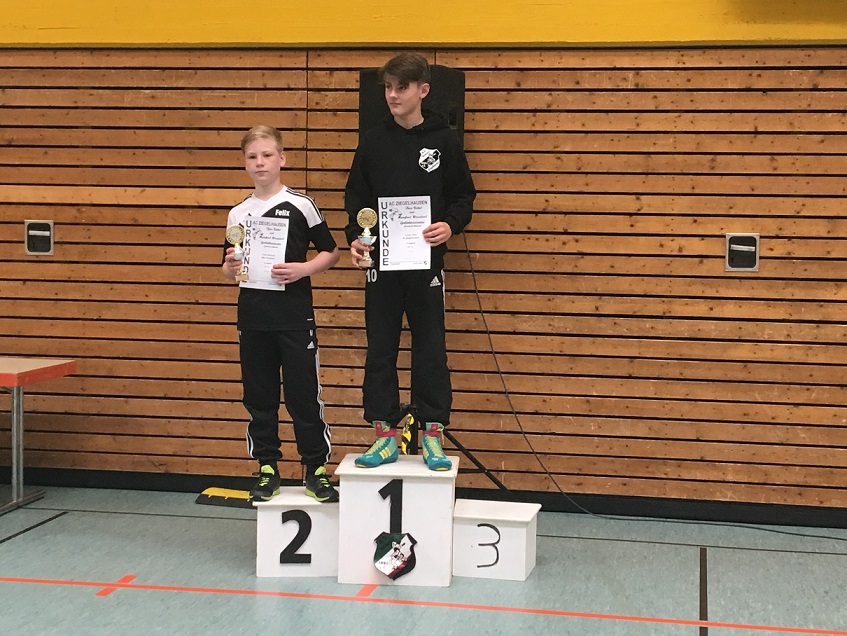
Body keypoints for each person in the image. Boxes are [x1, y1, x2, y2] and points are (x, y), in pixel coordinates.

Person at [344, 53, 476, 471]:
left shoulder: (443, 140)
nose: (392, 95)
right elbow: (356, 199)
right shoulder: (373, 141)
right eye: (387, 87)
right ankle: (385, 436)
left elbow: (463, 195)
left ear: (423, 90)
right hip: (383, 265)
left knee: (430, 349)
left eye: (401, 87)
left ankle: (432, 433)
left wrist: (450, 225)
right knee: (380, 349)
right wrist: (356, 239)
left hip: (425, 265)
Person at [222, 125, 340, 502]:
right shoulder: (238, 212)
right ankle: (267, 468)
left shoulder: (301, 204)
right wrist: (230, 266)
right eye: (252, 157)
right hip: (253, 318)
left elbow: (331, 251)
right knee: (260, 397)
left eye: (267, 155)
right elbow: (228, 268)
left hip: (294, 317)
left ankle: (315, 468)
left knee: (304, 396)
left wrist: (303, 269)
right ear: (245, 163)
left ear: (282, 159)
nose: (260, 162)